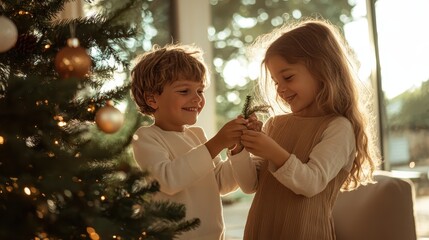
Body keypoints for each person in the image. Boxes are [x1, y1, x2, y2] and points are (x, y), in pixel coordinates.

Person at [230, 19, 381, 239]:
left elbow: (311, 182)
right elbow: (249, 184)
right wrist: (240, 148)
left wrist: (271, 149)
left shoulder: (338, 128)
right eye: (275, 81)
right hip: (261, 231)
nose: (280, 89)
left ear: (322, 70)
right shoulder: (276, 124)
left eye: (288, 77)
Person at [130, 43, 256, 240]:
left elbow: (221, 184)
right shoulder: (146, 137)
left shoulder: (196, 135)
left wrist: (237, 148)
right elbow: (168, 180)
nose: (197, 99)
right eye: (184, 91)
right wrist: (216, 143)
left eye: (200, 91)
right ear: (152, 99)